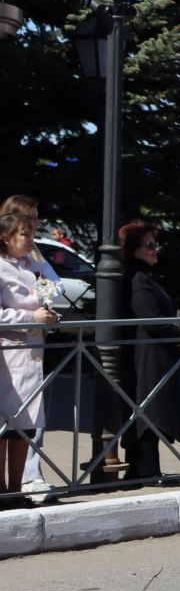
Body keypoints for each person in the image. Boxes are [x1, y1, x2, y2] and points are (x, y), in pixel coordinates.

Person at [119, 221, 180, 483]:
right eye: (149, 245)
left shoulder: (145, 275)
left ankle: (144, 470)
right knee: (148, 410)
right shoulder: (138, 279)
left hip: (151, 353)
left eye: (155, 244)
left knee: (150, 409)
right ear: (134, 248)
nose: (155, 249)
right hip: (145, 355)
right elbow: (149, 317)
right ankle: (145, 471)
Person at [0, 211, 58, 499]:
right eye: (25, 234)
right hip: (6, 356)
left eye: (32, 234)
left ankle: (15, 489)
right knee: (3, 425)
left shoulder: (30, 265)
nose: (31, 239)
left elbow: (51, 290)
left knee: (23, 427)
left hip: (31, 354)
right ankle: (1, 490)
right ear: (6, 237)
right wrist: (30, 317)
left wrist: (48, 314)